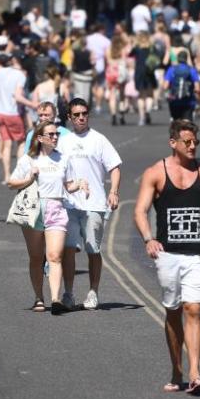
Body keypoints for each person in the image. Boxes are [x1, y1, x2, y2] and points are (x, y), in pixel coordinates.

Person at [133, 120, 200, 394]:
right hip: (168, 255)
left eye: (195, 141)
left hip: (197, 255)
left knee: (193, 309)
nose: (193, 145)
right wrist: (149, 239)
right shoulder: (156, 173)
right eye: (187, 142)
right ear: (173, 143)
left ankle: (195, 373)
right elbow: (140, 210)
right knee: (173, 311)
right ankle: (177, 370)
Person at [7, 120, 88, 315]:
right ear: (40, 138)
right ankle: (38, 298)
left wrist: (80, 183)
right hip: (34, 208)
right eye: (51, 134)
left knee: (54, 255)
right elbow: (11, 183)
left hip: (56, 208)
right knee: (36, 257)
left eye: (57, 134)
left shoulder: (63, 158)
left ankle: (55, 299)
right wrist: (30, 178)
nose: (55, 137)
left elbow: (67, 186)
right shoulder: (29, 159)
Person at [60, 98, 122, 310]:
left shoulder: (99, 140)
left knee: (92, 249)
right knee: (68, 249)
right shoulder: (63, 141)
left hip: (94, 204)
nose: (81, 118)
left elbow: (114, 166)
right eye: (76, 114)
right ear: (69, 117)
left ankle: (93, 292)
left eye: (84, 113)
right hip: (69, 205)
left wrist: (113, 192)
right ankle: (68, 293)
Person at [0, 53, 37, 183]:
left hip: (1, 112)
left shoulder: (1, 72)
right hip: (13, 113)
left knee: (7, 144)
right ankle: (18, 173)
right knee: (21, 143)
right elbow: (18, 96)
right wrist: (33, 104)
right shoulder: (20, 76)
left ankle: (6, 175)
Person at [163, 51, 200, 121]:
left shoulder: (171, 69)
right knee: (186, 124)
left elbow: (165, 86)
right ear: (186, 59)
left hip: (174, 101)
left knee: (176, 123)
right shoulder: (191, 70)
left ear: (177, 59)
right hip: (188, 101)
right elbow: (197, 88)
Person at [131, 31, 158, 126]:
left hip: (139, 72)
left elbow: (130, 54)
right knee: (150, 95)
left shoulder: (137, 48)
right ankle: (148, 110)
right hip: (149, 72)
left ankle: (141, 118)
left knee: (141, 96)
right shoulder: (151, 47)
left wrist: (133, 43)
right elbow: (157, 57)